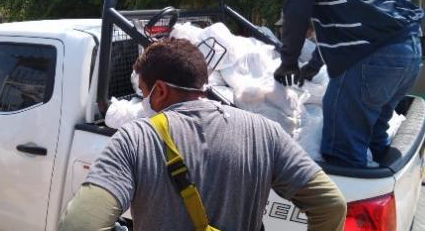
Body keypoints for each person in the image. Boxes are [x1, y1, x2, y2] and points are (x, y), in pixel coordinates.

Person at [57, 38, 348, 231]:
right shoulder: (265, 132)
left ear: (159, 90)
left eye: (143, 93)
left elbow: (77, 226)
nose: (143, 102)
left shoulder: (136, 139)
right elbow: (331, 205)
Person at [274, 0, 425, 169]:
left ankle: (357, 205)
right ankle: (386, 193)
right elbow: (339, 25)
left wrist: (288, 62)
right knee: (373, 137)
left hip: (370, 56)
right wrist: (312, 68)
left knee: (342, 152)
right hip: (407, 51)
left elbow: (296, 5)